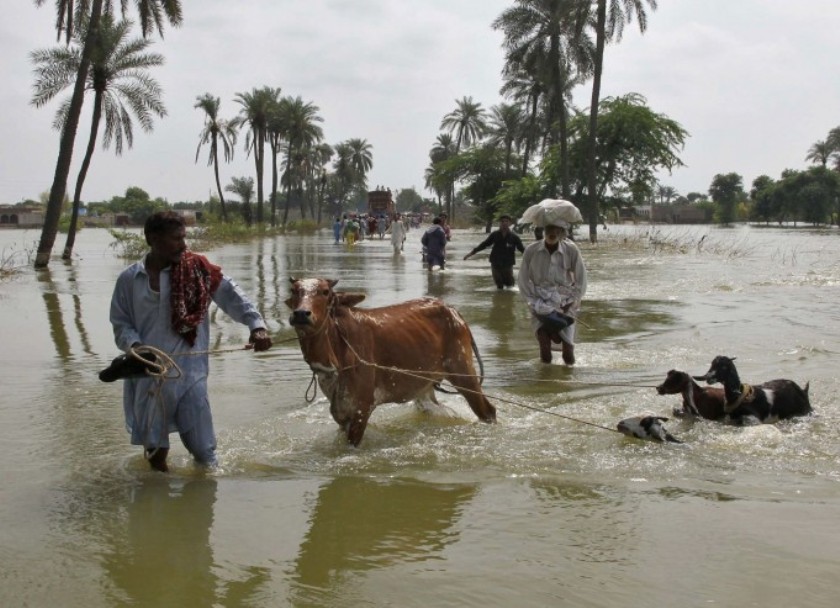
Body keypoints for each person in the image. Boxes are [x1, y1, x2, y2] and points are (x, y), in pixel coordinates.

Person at [109, 211, 272, 472]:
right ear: (153, 239)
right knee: (155, 453)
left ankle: (203, 502)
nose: (183, 245)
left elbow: (233, 296)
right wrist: (137, 348)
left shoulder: (198, 270)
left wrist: (257, 326)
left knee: (204, 451)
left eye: (184, 237)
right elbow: (121, 323)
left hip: (190, 376)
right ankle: (156, 504)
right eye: (176, 239)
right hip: (149, 375)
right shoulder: (129, 279)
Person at [517, 221, 587, 365]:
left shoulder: (571, 249)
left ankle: (569, 380)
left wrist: (573, 301)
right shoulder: (532, 250)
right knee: (544, 348)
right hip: (539, 302)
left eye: (556, 229)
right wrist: (532, 302)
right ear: (544, 230)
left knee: (568, 353)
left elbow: (581, 278)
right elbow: (523, 279)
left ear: (562, 232)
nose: (552, 232)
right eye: (549, 228)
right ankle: (545, 381)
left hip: (565, 301)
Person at [463, 214, 525, 289]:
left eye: (506, 221)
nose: (504, 223)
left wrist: (532, 260)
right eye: (502, 221)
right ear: (500, 223)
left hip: (508, 264)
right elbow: (484, 244)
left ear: (510, 223)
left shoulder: (514, 237)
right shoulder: (495, 235)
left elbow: (522, 250)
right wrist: (470, 254)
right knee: (499, 285)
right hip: (495, 263)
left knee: (510, 286)